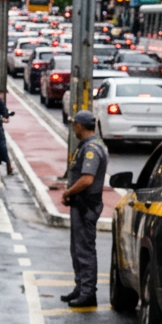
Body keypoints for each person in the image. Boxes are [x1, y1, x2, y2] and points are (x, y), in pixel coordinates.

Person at [60, 110, 109, 308]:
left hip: (86, 205)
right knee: (77, 248)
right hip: (80, 204)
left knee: (85, 250)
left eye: (75, 125)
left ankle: (88, 292)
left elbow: (87, 179)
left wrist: (68, 192)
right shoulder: (88, 146)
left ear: (80, 126)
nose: (73, 128)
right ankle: (80, 287)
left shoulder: (91, 149)